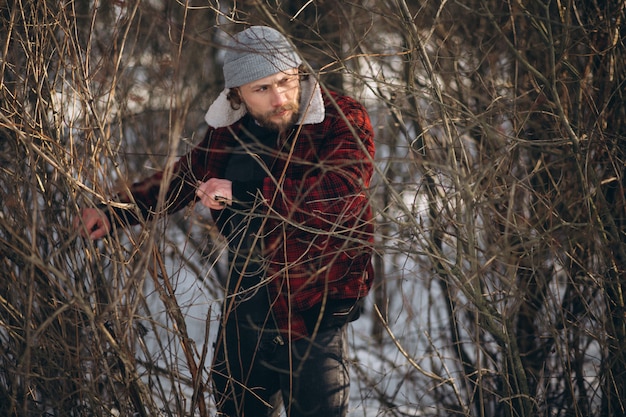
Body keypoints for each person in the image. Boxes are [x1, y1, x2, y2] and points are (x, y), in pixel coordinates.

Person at [75, 25, 375, 417]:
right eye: (261, 89)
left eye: (285, 81)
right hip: (247, 297)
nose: (279, 97)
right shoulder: (230, 130)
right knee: (235, 405)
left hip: (312, 302)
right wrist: (115, 211)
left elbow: (341, 193)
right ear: (237, 94)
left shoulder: (339, 117)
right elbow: (184, 177)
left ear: (299, 73)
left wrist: (244, 193)